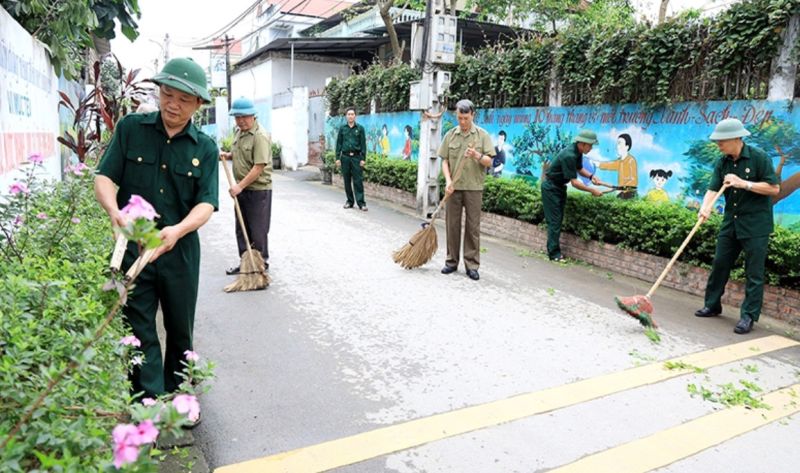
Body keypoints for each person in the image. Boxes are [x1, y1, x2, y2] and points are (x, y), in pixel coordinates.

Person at [95, 58, 219, 400]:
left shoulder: (205, 149)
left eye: (183, 99)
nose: (172, 105)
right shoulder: (130, 129)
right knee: (138, 328)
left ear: (198, 104)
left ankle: (179, 397)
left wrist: (178, 229)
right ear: (159, 91)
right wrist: (112, 211)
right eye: (167, 94)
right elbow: (105, 176)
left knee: (180, 328)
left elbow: (206, 203)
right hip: (135, 248)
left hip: (179, 251)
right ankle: (146, 402)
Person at [694, 118, 780, 334]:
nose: (718, 145)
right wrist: (705, 207)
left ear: (735, 138)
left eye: (721, 141)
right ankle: (712, 305)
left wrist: (744, 183)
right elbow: (713, 188)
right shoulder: (722, 162)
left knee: (754, 272)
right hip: (730, 223)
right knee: (720, 263)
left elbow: (773, 189)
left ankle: (748, 316)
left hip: (756, 225)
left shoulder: (759, 158)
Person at [439, 99, 495, 281]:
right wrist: (448, 181)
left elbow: (489, 161)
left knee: (472, 227)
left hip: (474, 188)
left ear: (473, 115)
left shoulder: (482, 136)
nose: (462, 122)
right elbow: (444, 160)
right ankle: (451, 261)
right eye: (459, 118)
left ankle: (471, 265)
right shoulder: (450, 135)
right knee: (452, 225)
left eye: (465, 118)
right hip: (454, 188)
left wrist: (476, 155)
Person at [221, 97, 273, 275]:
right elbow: (239, 154)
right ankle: (245, 263)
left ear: (253, 115)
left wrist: (240, 186)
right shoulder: (240, 133)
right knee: (241, 229)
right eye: (237, 117)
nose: (240, 121)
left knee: (257, 230)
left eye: (244, 117)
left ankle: (260, 265)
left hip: (258, 190)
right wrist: (228, 155)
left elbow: (259, 166)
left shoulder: (260, 136)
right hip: (242, 189)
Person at [541, 130, 604, 261]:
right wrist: (592, 190)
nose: (591, 148)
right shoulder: (569, 155)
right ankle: (554, 254)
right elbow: (574, 183)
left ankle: (553, 251)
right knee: (555, 221)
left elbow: (579, 169)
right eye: (590, 145)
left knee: (557, 220)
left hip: (559, 187)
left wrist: (592, 176)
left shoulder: (578, 152)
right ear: (582, 144)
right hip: (551, 188)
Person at [335, 107, 368, 211]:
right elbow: (338, 143)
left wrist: (363, 158)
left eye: (352, 114)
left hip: (356, 158)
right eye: (348, 114)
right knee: (347, 180)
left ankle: (361, 203)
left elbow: (363, 145)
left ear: (355, 116)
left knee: (358, 181)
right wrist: (337, 158)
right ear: (346, 116)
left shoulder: (360, 128)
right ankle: (349, 201)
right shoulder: (342, 128)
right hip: (345, 157)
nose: (350, 116)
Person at [598, 133, 638, 199]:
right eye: (617, 143)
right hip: (621, 192)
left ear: (627, 146)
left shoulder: (631, 160)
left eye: (620, 143)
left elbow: (633, 181)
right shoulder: (619, 162)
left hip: (629, 193)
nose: (617, 146)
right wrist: (596, 163)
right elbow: (608, 165)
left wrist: (621, 188)